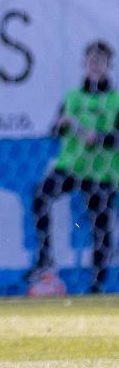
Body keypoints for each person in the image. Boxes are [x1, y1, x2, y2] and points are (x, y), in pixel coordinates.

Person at [27, 41, 118, 297]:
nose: (95, 65)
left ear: (109, 66)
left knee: (100, 227)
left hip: (101, 173)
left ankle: (97, 287)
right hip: (70, 167)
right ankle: (45, 257)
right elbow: (54, 131)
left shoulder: (115, 100)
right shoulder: (72, 97)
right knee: (40, 195)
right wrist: (61, 124)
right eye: (91, 60)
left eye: (101, 61)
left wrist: (99, 138)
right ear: (84, 64)